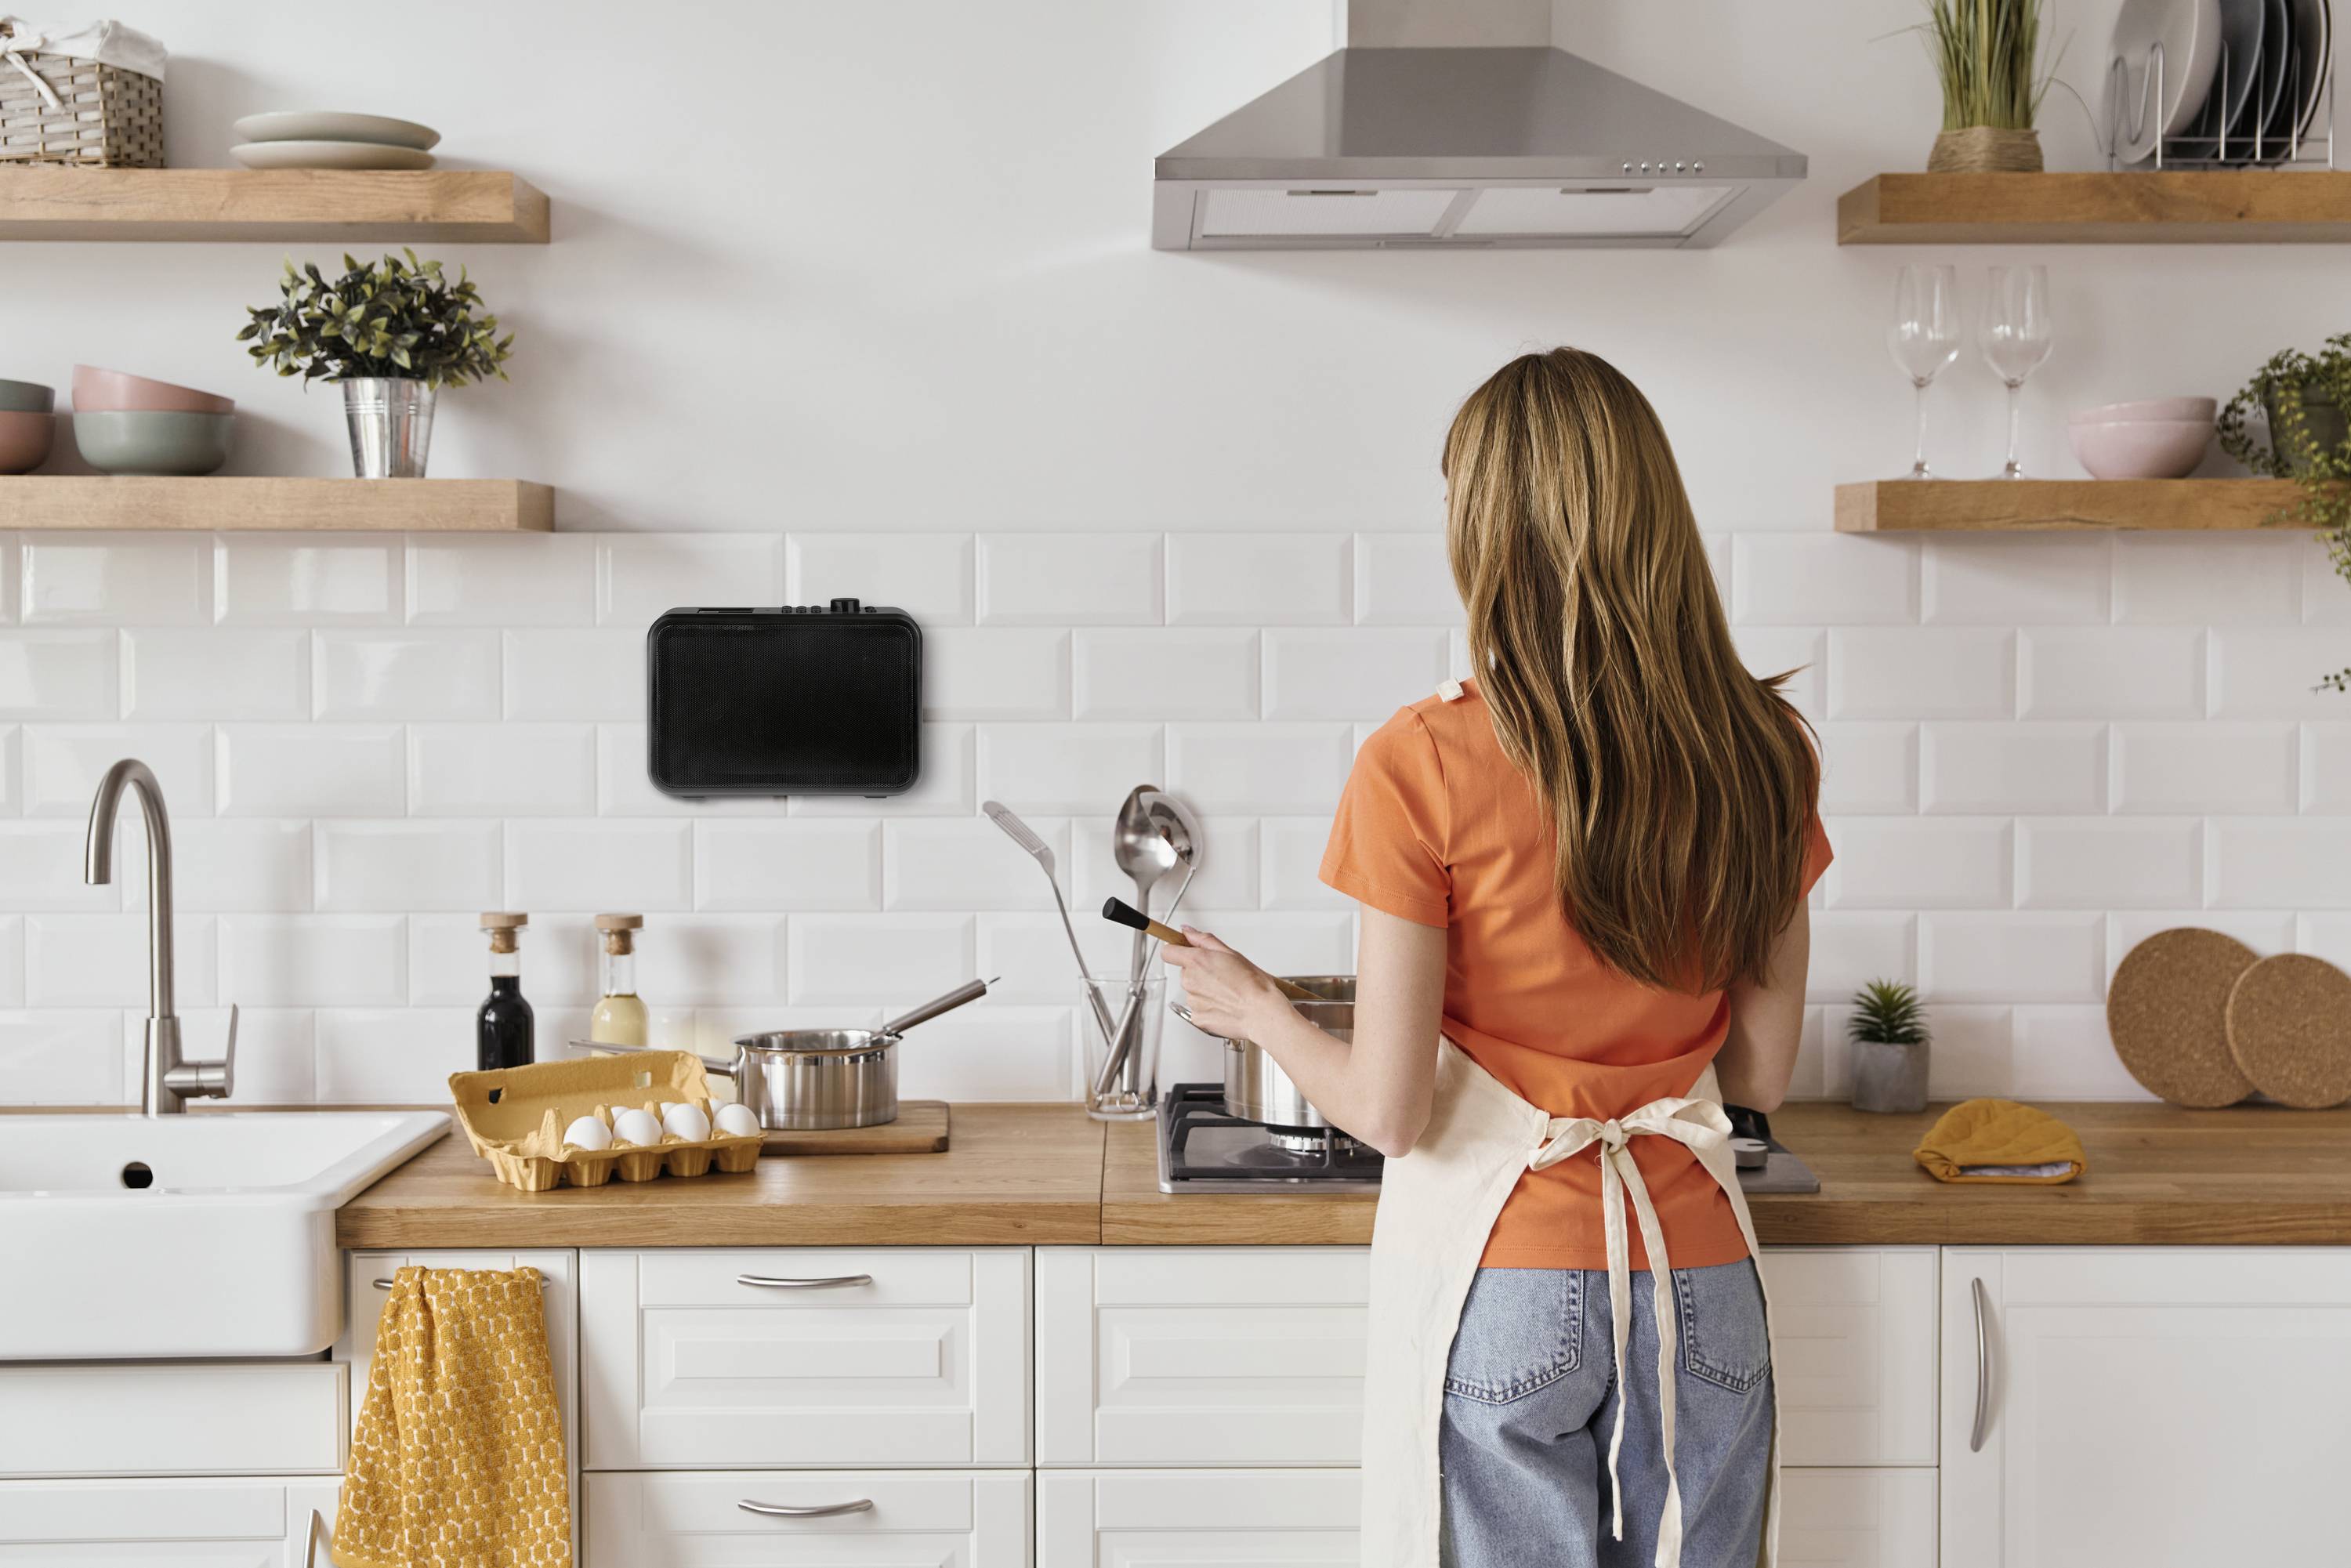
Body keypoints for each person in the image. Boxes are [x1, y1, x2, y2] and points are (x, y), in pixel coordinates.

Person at [1165, 347, 1828, 1568]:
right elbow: (1765, 1076)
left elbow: (1389, 1108)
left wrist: (1260, 1011)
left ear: (1486, 531)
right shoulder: (1768, 750)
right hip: (1703, 1284)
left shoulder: (1422, 759)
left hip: (1510, 1276)